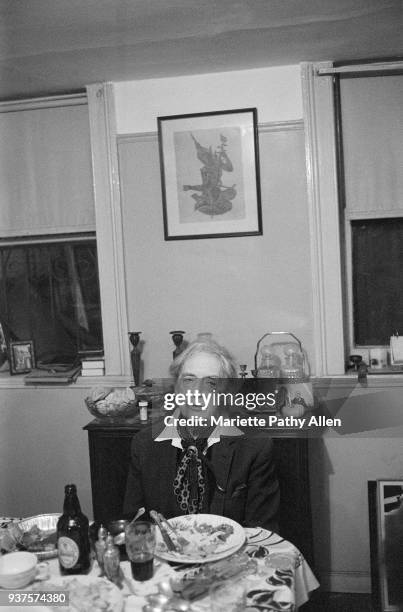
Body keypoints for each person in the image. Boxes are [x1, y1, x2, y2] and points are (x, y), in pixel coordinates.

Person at [123, 339, 280, 531]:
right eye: (189, 380)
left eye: (211, 382)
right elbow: (136, 525)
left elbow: (261, 531)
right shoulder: (145, 444)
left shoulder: (255, 446)